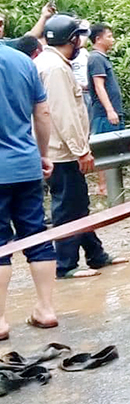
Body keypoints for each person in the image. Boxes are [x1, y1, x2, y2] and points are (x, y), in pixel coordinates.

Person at [35, 15, 125, 279]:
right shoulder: (56, 69)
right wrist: (81, 150)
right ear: (71, 39)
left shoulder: (50, 62)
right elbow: (62, 113)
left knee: (78, 204)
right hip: (62, 152)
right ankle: (65, 265)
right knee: (66, 207)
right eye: (79, 37)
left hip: (62, 149)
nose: (81, 43)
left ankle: (95, 255)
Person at [0, 39, 58, 333]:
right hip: (25, 165)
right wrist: (43, 154)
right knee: (36, 235)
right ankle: (46, 310)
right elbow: (43, 113)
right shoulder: (24, 61)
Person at [86, 23, 124, 135]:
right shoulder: (96, 58)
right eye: (109, 36)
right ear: (98, 39)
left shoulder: (102, 58)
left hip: (112, 113)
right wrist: (110, 111)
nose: (112, 40)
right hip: (104, 115)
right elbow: (99, 86)